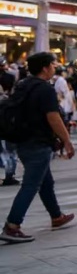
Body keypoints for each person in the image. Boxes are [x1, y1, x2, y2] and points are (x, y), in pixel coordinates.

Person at [0, 52, 75, 244]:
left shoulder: (22, 85)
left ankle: (56, 216)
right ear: (45, 68)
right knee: (31, 185)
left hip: (22, 141)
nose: (55, 67)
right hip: (38, 142)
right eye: (53, 65)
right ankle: (12, 225)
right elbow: (53, 118)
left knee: (45, 181)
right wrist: (67, 141)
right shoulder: (45, 89)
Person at [0, 56, 18, 186]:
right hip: (7, 128)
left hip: (5, 128)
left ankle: (8, 174)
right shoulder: (9, 102)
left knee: (6, 152)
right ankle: (9, 174)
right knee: (9, 152)